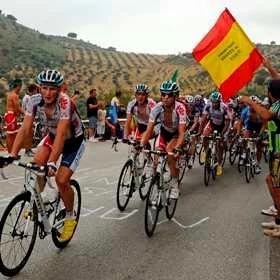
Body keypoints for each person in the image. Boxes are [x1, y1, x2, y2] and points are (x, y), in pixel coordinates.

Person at [6, 69, 85, 241]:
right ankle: (39, 203)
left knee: (61, 180)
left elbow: (63, 134)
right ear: (39, 88)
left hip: (73, 142)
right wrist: (11, 155)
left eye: (52, 89)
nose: (48, 93)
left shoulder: (65, 103)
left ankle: (70, 217)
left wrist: (52, 162)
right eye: (44, 88)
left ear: (59, 89)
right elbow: (25, 129)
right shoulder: (33, 101)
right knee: (36, 166)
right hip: (52, 137)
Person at [240, 80, 280, 237]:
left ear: (270, 93)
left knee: (277, 189)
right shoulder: (276, 104)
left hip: (279, 154)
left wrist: (249, 101)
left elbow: (266, 115)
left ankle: (279, 224)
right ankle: (277, 219)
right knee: (270, 182)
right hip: (274, 151)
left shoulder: (277, 105)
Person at [141, 80, 187, 199]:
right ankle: (156, 181)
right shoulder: (157, 108)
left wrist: (178, 147)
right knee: (157, 154)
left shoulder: (180, 108)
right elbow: (149, 130)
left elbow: (182, 132)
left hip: (176, 135)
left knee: (169, 151)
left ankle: (175, 184)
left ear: (175, 96)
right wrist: (141, 144)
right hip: (164, 132)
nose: (165, 98)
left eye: (169, 95)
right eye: (163, 94)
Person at [199, 91, 230, 176]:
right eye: (213, 102)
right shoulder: (208, 106)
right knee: (205, 135)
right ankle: (206, 151)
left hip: (223, 126)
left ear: (219, 102)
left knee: (220, 146)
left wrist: (222, 134)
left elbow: (227, 122)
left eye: (216, 102)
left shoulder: (224, 107)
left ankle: (219, 165)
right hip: (212, 124)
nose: (214, 104)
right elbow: (203, 120)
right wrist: (199, 131)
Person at [5, 79, 24, 153]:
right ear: (18, 86)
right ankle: (10, 153)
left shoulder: (11, 94)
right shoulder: (14, 95)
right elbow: (18, 108)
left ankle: (12, 152)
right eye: (21, 86)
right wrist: (26, 114)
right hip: (11, 116)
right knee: (10, 135)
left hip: (11, 115)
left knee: (12, 134)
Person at [22, 84, 38, 157]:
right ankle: (27, 150)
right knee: (28, 134)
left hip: (28, 117)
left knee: (30, 134)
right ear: (34, 90)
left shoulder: (28, 97)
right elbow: (27, 109)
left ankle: (28, 149)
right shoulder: (28, 98)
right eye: (36, 90)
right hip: (27, 118)